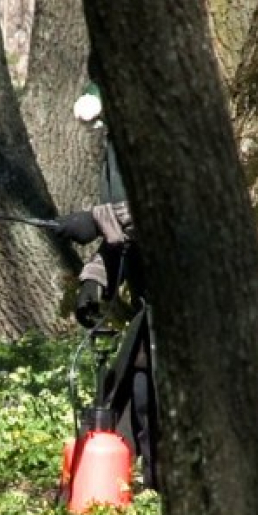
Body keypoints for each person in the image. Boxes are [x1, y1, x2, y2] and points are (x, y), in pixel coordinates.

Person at [51, 81, 160, 493]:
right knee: (138, 390)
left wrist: (96, 220)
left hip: (192, 303)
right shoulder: (119, 144)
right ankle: (145, 490)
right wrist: (94, 280)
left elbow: (160, 208)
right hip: (148, 297)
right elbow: (123, 241)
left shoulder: (169, 134)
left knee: (158, 400)